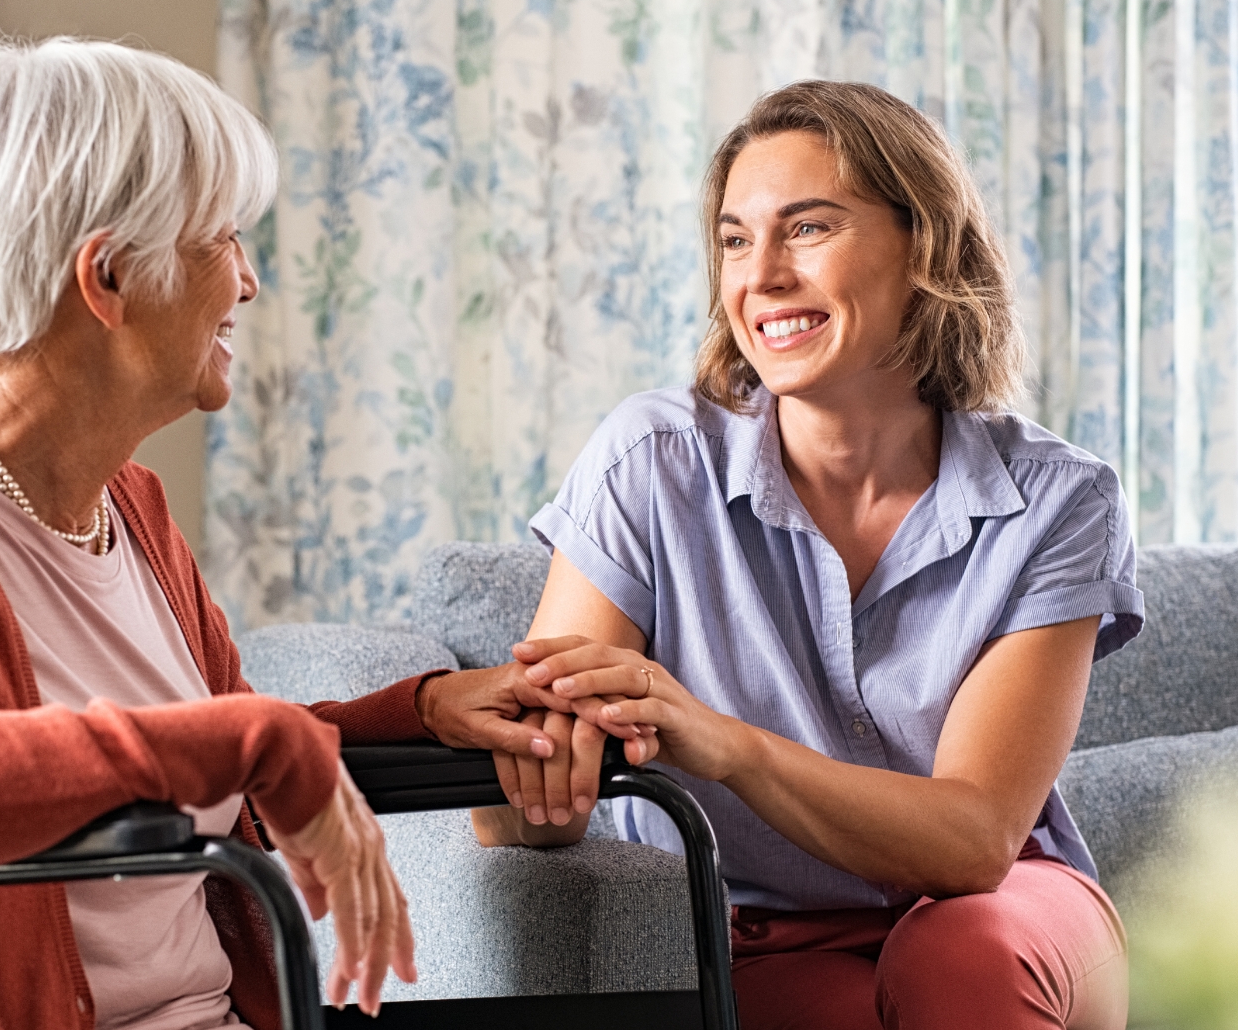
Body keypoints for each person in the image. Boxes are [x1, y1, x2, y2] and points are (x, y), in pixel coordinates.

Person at [0, 37, 560, 1030]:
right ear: (106, 277)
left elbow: (214, 752)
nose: (247, 281)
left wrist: (423, 706)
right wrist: (249, 734)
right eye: (221, 240)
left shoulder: (135, 510)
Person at [473, 81, 1143, 1030]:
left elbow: (975, 839)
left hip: (1002, 913)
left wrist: (728, 744)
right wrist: (536, 777)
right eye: (737, 240)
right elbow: (521, 799)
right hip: (763, 930)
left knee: (960, 958)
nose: (763, 275)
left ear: (926, 245)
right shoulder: (651, 465)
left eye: (810, 228)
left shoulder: (1058, 501)